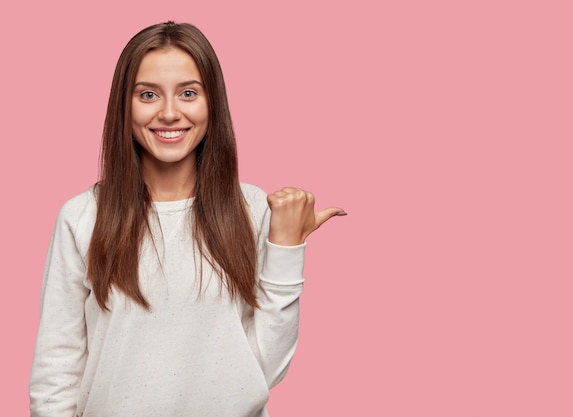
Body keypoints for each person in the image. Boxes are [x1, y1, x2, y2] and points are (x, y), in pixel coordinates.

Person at [29, 21, 345, 417]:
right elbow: (56, 373)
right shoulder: (82, 217)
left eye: (189, 93)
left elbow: (264, 371)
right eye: (148, 94)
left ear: (212, 103)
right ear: (123, 106)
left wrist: (286, 248)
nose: (169, 113)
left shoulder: (253, 211)